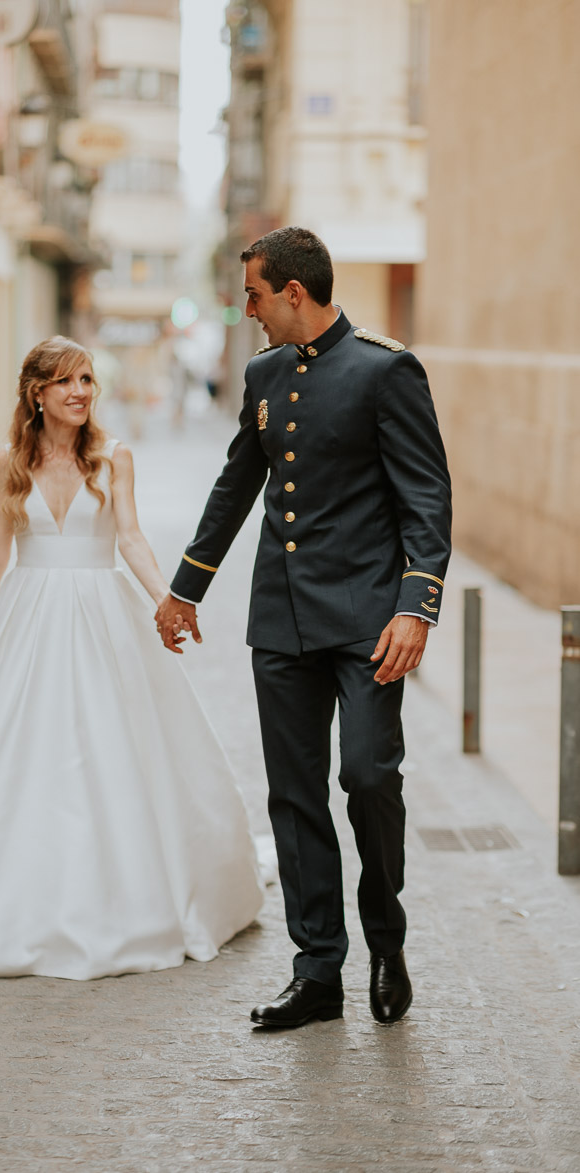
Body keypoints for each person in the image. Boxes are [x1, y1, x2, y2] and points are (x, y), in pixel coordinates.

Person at [0, 336, 263, 982]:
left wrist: (169, 601)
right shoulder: (7, 463)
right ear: (36, 393)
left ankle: (119, 898)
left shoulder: (113, 458)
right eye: (65, 380)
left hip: (103, 617)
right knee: (6, 758)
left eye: (87, 379)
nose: (80, 391)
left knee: (113, 749)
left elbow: (130, 535)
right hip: (25, 618)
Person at [156, 227, 452, 1028]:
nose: (246, 310)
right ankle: (319, 968)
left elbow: (427, 500)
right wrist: (186, 589)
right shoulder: (262, 374)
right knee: (294, 797)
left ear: (294, 292)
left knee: (366, 777)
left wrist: (414, 606)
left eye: (253, 295)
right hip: (282, 620)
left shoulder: (386, 370)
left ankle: (385, 943)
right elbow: (234, 487)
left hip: (367, 625)